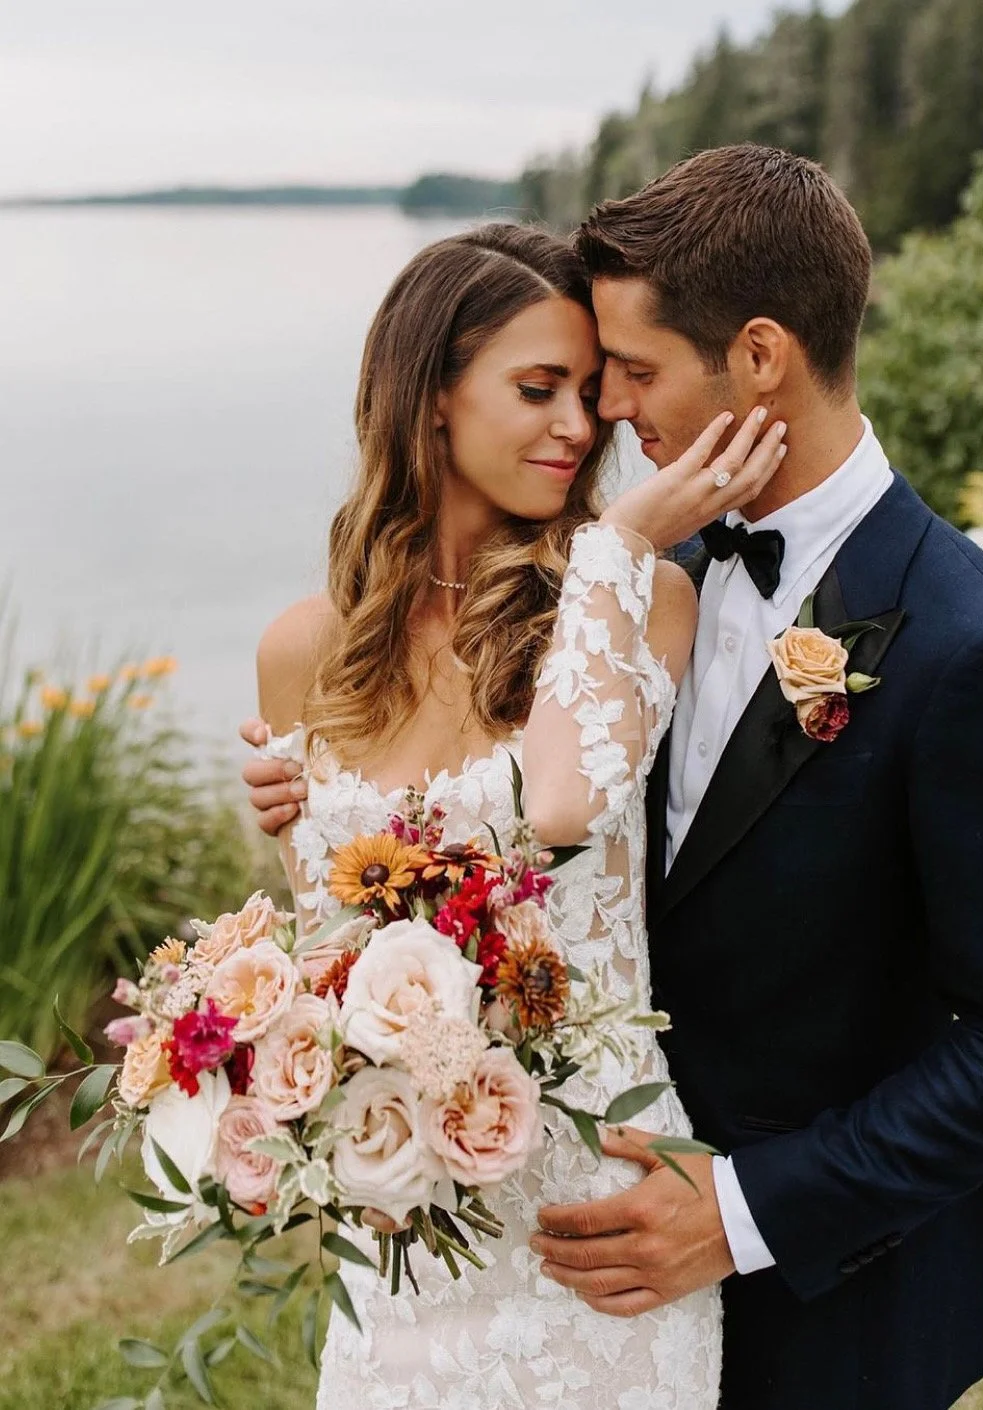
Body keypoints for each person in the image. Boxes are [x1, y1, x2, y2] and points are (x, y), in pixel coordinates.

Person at [244, 147, 983, 1410]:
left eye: (631, 376)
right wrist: (326, 807)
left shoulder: (979, 651)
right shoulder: (624, 586)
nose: (607, 423)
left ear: (759, 358)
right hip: (542, 1229)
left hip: (829, 1297)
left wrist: (746, 1212)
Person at [244, 219, 786, 1408]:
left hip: (597, 1214)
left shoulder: (644, 597)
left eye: (591, 395)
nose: (582, 428)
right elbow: (332, 959)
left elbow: (559, 804)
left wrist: (622, 542)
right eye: (539, 389)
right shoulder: (304, 656)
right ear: (427, 397)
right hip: (403, 1228)